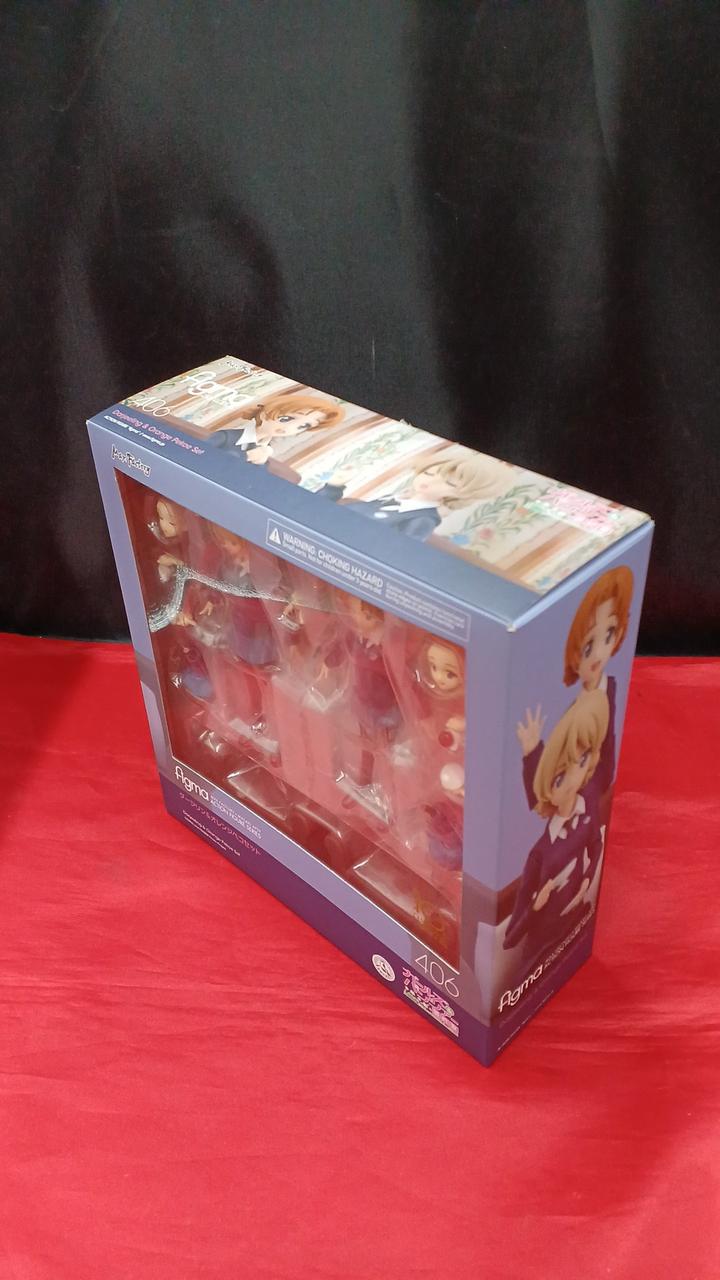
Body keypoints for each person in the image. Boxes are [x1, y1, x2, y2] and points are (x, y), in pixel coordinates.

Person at [504, 690, 609, 970]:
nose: (574, 778)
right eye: (561, 778)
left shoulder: (588, 807)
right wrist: (536, 906)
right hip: (540, 949)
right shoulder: (539, 855)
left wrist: (587, 879)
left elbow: (596, 843)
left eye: (582, 760)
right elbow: (510, 939)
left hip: (576, 923)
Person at [315, 448, 510, 540]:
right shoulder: (393, 499)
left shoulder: (423, 519)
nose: (429, 481)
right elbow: (315, 510)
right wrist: (334, 486)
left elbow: (394, 555)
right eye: (428, 473)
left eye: (449, 483)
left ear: (462, 494)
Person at [209, 391, 344, 462]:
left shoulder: (265, 450)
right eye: (286, 419)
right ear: (264, 413)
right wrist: (246, 456)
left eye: (304, 425)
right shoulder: (226, 436)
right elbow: (203, 457)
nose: (289, 428)